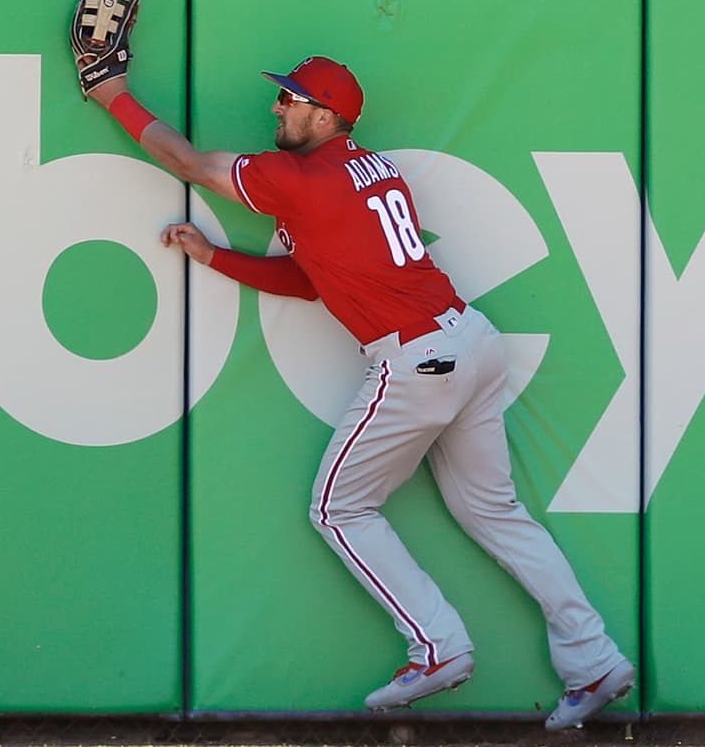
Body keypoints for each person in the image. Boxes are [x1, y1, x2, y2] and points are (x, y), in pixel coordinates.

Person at [82, 52, 635, 729]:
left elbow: (191, 163)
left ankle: (437, 647)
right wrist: (215, 257)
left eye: (291, 99)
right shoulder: (372, 170)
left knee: (338, 510)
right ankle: (595, 658)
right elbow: (310, 280)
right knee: (496, 514)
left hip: (418, 359)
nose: (278, 107)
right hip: (472, 341)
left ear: (325, 115)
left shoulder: (299, 177)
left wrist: (113, 94)